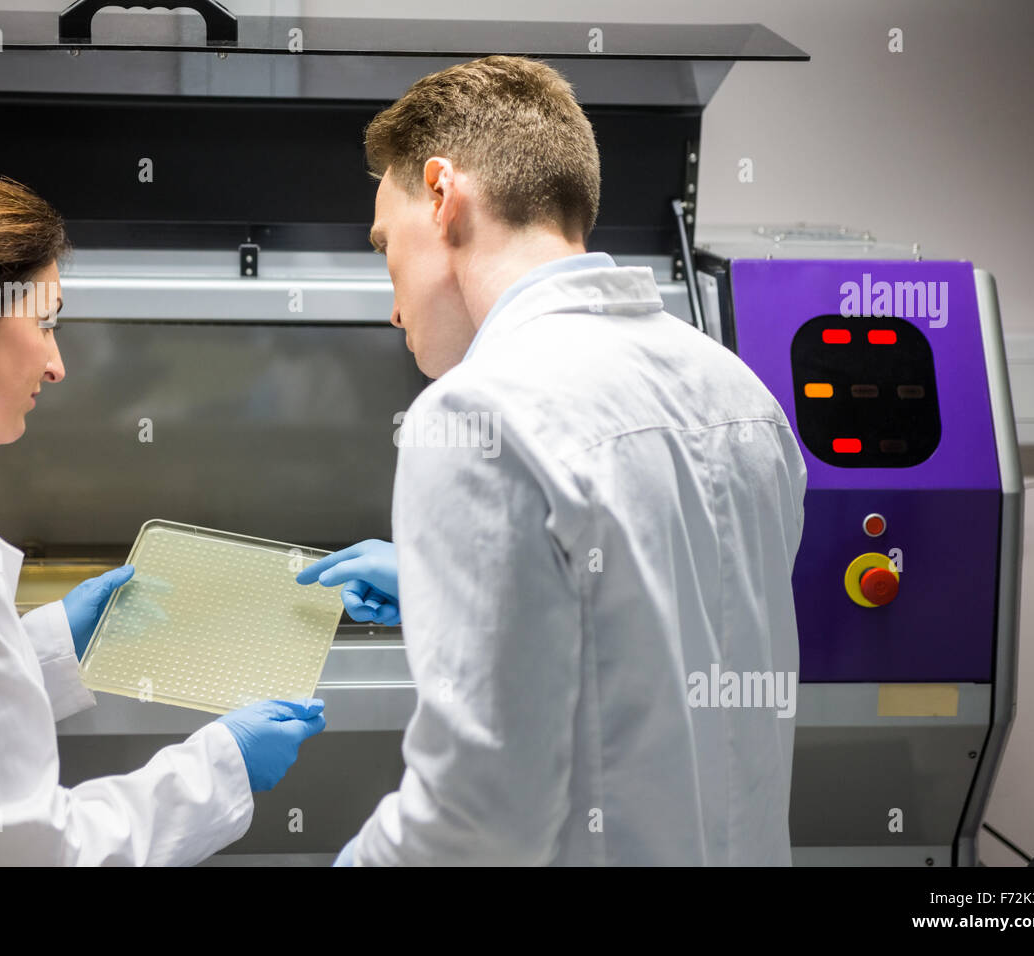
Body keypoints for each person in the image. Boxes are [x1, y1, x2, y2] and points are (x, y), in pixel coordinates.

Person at [298, 55, 808, 865]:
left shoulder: (474, 416)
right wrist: (481, 581)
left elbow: (474, 823)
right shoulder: (740, 394)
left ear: (441, 193)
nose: (393, 305)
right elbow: (672, 648)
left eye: (384, 247)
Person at [0, 169, 324, 865]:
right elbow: (30, 856)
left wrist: (49, 648)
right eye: (44, 324)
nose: (56, 365)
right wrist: (219, 764)